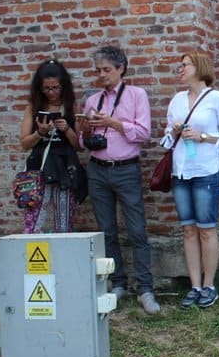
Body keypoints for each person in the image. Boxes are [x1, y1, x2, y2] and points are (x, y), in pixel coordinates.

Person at [81, 46, 160, 315]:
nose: (102, 75)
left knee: (137, 230)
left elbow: (144, 133)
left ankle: (145, 289)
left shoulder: (137, 95)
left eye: (107, 70)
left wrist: (113, 123)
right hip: (97, 169)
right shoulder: (93, 101)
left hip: (126, 169)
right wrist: (85, 131)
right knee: (107, 231)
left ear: (121, 68)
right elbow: (84, 142)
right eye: (98, 70)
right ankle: (118, 283)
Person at [161, 52, 219, 309]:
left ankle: (209, 285)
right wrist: (174, 131)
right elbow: (167, 137)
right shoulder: (177, 100)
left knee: (206, 229)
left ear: (199, 67)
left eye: (185, 65)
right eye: (180, 66)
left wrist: (202, 136)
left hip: (206, 170)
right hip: (181, 171)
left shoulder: (217, 99)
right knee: (188, 229)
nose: (180, 69)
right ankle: (194, 286)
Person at [19, 59, 86, 234]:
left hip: (65, 166)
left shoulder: (72, 107)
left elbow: (80, 146)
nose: (51, 92)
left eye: (55, 87)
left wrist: (67, 129)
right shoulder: (33, 108)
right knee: (33, 222)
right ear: (39, 88)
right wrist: (40, 133)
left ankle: (62, 251)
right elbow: (24, 143)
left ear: (63, 86)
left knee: (64, 223)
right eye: (46, 88)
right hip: (39, 166)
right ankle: (33, 251)